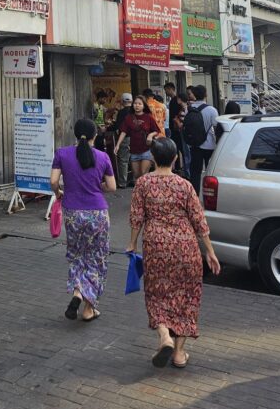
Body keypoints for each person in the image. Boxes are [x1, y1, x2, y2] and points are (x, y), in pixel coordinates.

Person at [128, 138, 220, 368]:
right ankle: (179, 354)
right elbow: (199, 221)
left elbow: (136, 217)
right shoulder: (185, 185)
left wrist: (132, 244)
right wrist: (210, 252)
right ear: (175, 158)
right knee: (187, 297)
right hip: (185, 247)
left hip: (156, 246)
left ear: (152, 158)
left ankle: (164, 336)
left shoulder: (143, 184)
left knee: (157, 294)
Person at [51, 118, 117, 322]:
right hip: (97, 212)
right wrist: (98, 188)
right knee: (96, 258)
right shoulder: (103, 157)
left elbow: (53, 181)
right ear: (95, 136)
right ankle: (89, 308)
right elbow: (112, 187)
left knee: (78, 255)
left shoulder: (62, 153)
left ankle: (77, 292)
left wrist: (60, 192)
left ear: (75, 133)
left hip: (72, 212)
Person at [113, 95, 161, 182]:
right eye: (135, 103)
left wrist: (150, 135)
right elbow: (123, 131)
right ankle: (140, 193)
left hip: (146, 150)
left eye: (139, 104)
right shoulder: (128, 118)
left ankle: (145, 193)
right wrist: (118, 145)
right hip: (134, 150)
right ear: (132, 105)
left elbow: (157, 130)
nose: (137, 105)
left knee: (143, 172)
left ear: (143, 106)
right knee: (137, 175)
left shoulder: (148, 117)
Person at [184, 85, 219, 194]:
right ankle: (209, 193)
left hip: (195, 146)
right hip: (210, 145)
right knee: (211, 171)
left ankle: (194, 196)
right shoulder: (212, 110)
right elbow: (216, 127)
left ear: (194, 95)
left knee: (195, 172)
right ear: (205, 95)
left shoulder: (188, 109)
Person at [109, 93, 133, 189]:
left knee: (123, 160)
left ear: (122, 102)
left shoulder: (122, 112)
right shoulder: (136, 110)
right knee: (135, 158)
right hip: (137, 138)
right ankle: (135, 180)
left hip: (125, 138)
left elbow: (118, 126)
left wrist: (107, 128)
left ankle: (122, 182)